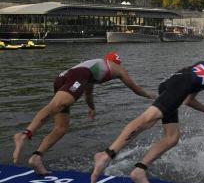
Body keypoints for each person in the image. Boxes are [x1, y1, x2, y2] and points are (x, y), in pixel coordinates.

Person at [90, 47, 204, 183]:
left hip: (170, 82)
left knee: (172, 137)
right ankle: (106, 154)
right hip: (180, 85)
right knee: (146, 120)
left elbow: (188, 100)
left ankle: (139, 170)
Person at [12, 52, 155, 175]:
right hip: (76, 76)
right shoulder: (116, 68)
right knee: (57, 105)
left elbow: (88, 94)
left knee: (61, 127)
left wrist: (91, 108)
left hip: (62, 78)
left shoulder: (93, 68)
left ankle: (36, 158)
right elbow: (135, 89)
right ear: (116, 62)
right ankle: (25, 134)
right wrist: (151, 95)